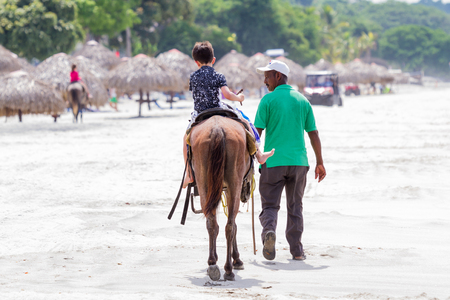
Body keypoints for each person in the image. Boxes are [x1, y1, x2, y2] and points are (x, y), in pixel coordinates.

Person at [254, 60, 326, 261]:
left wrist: (252, 156)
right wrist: (320, 162)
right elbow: (314, 134)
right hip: (298, 163)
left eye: (267, 76)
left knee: (270, 205)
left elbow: (256, 133)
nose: (265, 80)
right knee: (295, 206)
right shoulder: (303, 101)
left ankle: (269, 231)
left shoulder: (267, 101)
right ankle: (297, 250)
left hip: (273, 162)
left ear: (278, 76)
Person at [182, 41, 274, 188]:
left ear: (196, 62)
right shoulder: (218, 75)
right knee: (244, 121)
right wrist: (239, 98)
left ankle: (189, 173)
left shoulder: (193, 77)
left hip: (200, 113)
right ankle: (258, 154)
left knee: (186, 139)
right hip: (219, 108)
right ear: (213, 60)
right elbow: (226, 94)